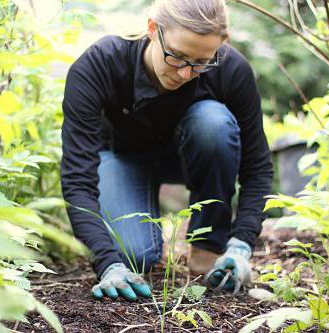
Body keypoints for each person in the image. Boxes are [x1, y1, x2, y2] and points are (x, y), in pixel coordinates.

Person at [61, 0, 273, 301]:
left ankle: (206, 248)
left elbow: (258, 168)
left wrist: (241, 244)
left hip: (189, 155)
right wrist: (107, 262)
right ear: (152, 30)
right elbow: (77, 180)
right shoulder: (99, 64)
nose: (186, 73)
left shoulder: (231, 69)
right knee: (135, 257)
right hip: (123, 157)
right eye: (177, 57)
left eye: (201, 62)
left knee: (213, 122)